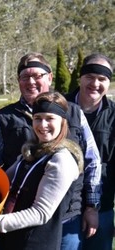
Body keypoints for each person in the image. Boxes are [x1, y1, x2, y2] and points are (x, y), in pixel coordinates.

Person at [0, 52, 102, 250]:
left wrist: (91, 207)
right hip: (19, 220)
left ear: (50, 77)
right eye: (25, 77)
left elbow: (92, 160)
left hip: (67, 218)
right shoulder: (13, 127)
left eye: (37, 76)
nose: (31, 81)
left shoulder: (73, 113)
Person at [0, 91, 84, 249]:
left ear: (62, 122)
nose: (43, 125)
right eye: (38, 118)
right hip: (9, 238)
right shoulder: (30, 153)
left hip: (33, 243)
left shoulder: (61, 160)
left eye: (50, 118)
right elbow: (1, 181)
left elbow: (41, 213)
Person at [65, 53, 115, 250]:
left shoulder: (113, 116)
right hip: (65, 208)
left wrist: (93, 208)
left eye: (102, 79)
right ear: (80, 77)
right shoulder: (61, 108)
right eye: (90, 77)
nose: (95, 83)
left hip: (102, 207)